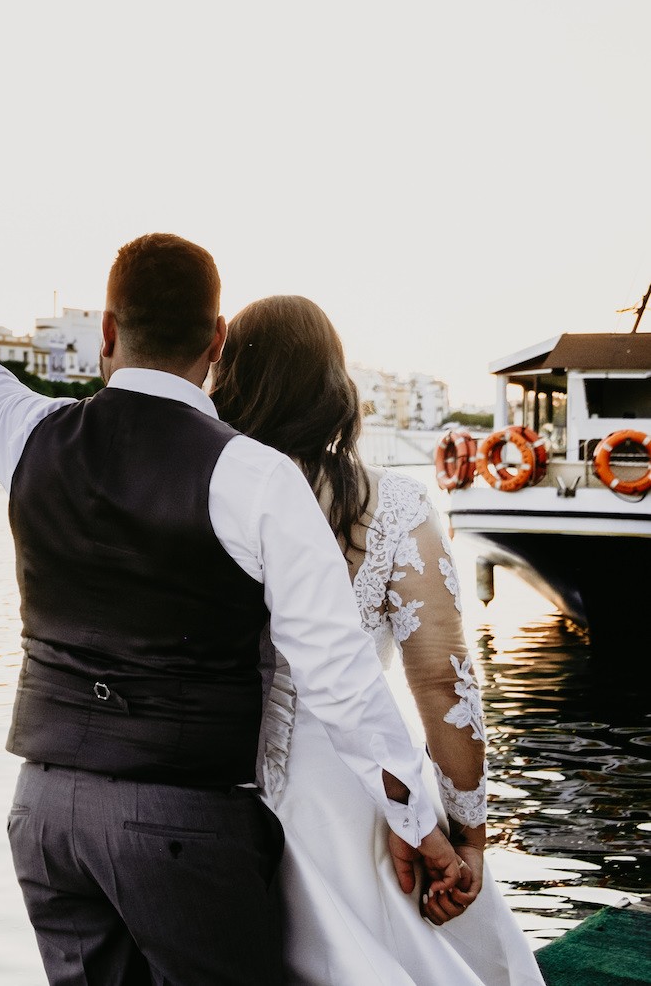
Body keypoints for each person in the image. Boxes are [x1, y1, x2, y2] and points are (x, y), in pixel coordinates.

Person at [0, 236, 466, 986]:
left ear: (105, 329)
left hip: (43, 812)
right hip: (180, 827)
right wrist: (420, 823)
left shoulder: (30, 433)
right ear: (215, 340)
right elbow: (338, 676)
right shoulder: (252, 476)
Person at [210, 295, 545, 985]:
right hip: (358, 789)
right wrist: (466, 836)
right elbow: (442, 681)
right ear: (334, 382)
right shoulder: (389, 506)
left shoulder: (201, 495)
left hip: (213, 785)